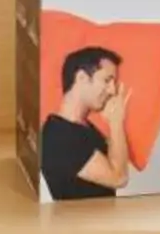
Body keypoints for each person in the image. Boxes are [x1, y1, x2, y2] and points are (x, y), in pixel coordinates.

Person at [40, 45, 132, 200]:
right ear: (82, 78)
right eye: (107, 80)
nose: (112, 91)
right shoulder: (59, 135)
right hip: (80, 223)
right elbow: (119, 178)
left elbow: (116, 159)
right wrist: (116, 122)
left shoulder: (83, 127)